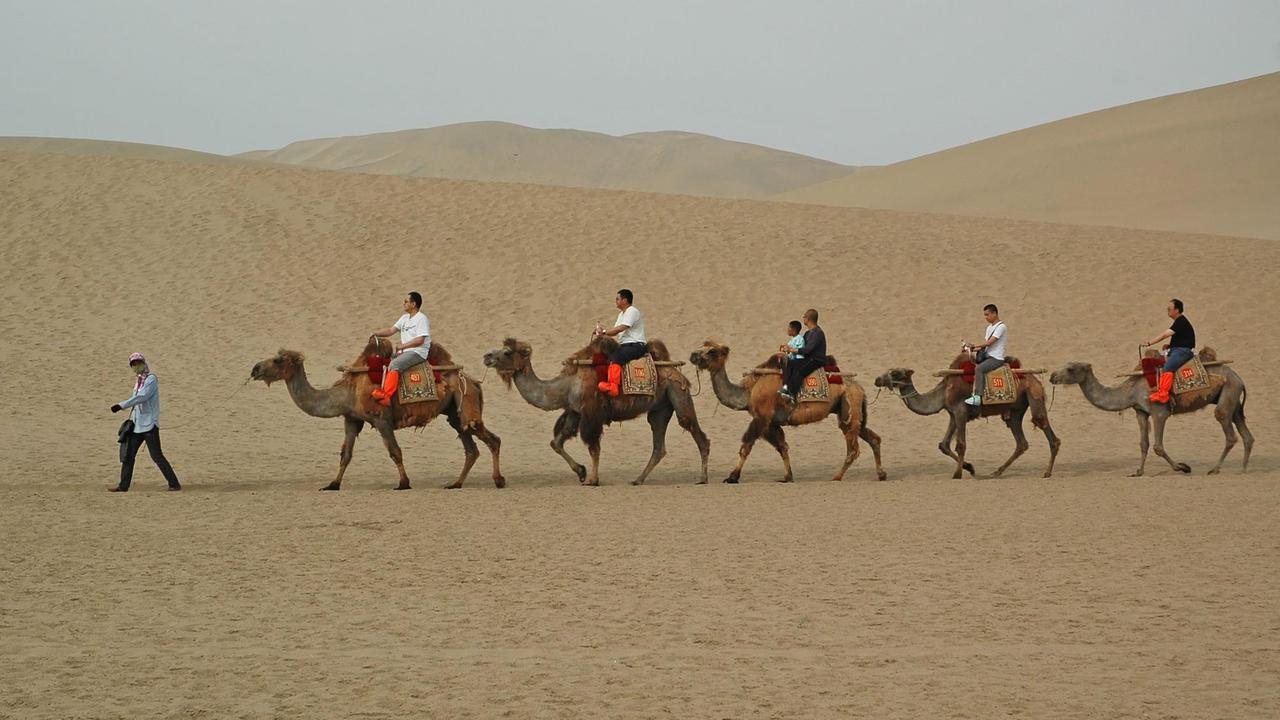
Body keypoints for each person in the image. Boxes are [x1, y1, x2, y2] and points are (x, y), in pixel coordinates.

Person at [108, 352, 181, 492]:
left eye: (138, 363)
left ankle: (174, 484)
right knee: (128, 456)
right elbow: (136, 399)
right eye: (133, 364)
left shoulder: (151, 379)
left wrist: (121, 405)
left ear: (143, 362)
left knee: (156, 456)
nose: (136, 366)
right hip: (137, 425)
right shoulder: (138, 380)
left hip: (149, 425)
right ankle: (123, 486)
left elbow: (142, 397)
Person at [371, 291, 431, 406]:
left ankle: (386, 396)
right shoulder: (404, 318)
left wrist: (402, 346)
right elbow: (391, 330)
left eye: (406, 302)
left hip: (417, 352)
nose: (404, 304)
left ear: (413, 304)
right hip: (406, 352)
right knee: (386, 360)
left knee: (394, 365)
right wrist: (376, 333)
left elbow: (420, 340)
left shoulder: (421, 319)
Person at [593, 288, 648, 397]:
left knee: (616, 356)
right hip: (625, 345)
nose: (616, 301)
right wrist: (602, 332)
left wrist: (604, 332)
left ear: (625, 300)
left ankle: (613, 387)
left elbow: (621, 328)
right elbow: (615, 331)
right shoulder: (621, 315)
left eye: (617, 299)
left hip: (636, 345)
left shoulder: (632, 311)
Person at [1143, 298, 1195, 404]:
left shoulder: (1181, 321)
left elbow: (1164, 335)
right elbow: (1181, 338)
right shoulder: (1179, 322)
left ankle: (1163, 395)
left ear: (1176, 310)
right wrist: (1170, 346)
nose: (1168, 310)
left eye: (1169, 308)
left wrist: (1149, 343)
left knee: (1167, 367)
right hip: (1177, 349)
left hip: (1183, 351)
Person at [962, 304, 1008, 407]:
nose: (986, 317)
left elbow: (989, 343)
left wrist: (974, 345)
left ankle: (978, 396)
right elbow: (985, 347)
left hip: (996, 358)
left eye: (987, 315)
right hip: (987, 356)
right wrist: (970, 349)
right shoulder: (989, 328)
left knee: (979, 369)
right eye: (985, 315)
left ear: (994, 313)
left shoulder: (1001, 327)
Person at [779, 309, 826, 402]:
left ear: (807, 319)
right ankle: (785, 387)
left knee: (800, 370)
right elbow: (801, 346)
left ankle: (792, 393)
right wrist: (787, 347)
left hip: (816, 359)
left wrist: (791, 349)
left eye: (804, 317)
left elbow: (807, 350)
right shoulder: (808, 333)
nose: (803, 319)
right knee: (790, 363)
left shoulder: (817, 333)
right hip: (808, 358)